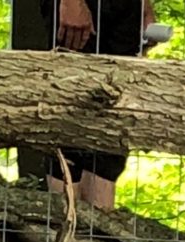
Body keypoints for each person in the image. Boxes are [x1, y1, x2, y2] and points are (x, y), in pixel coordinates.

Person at [39, 0, 155, 208]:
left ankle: (98, 231)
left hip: (127, 10)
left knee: (115, 109)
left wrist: (145, 6)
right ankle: (64, 229)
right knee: (70, 107)